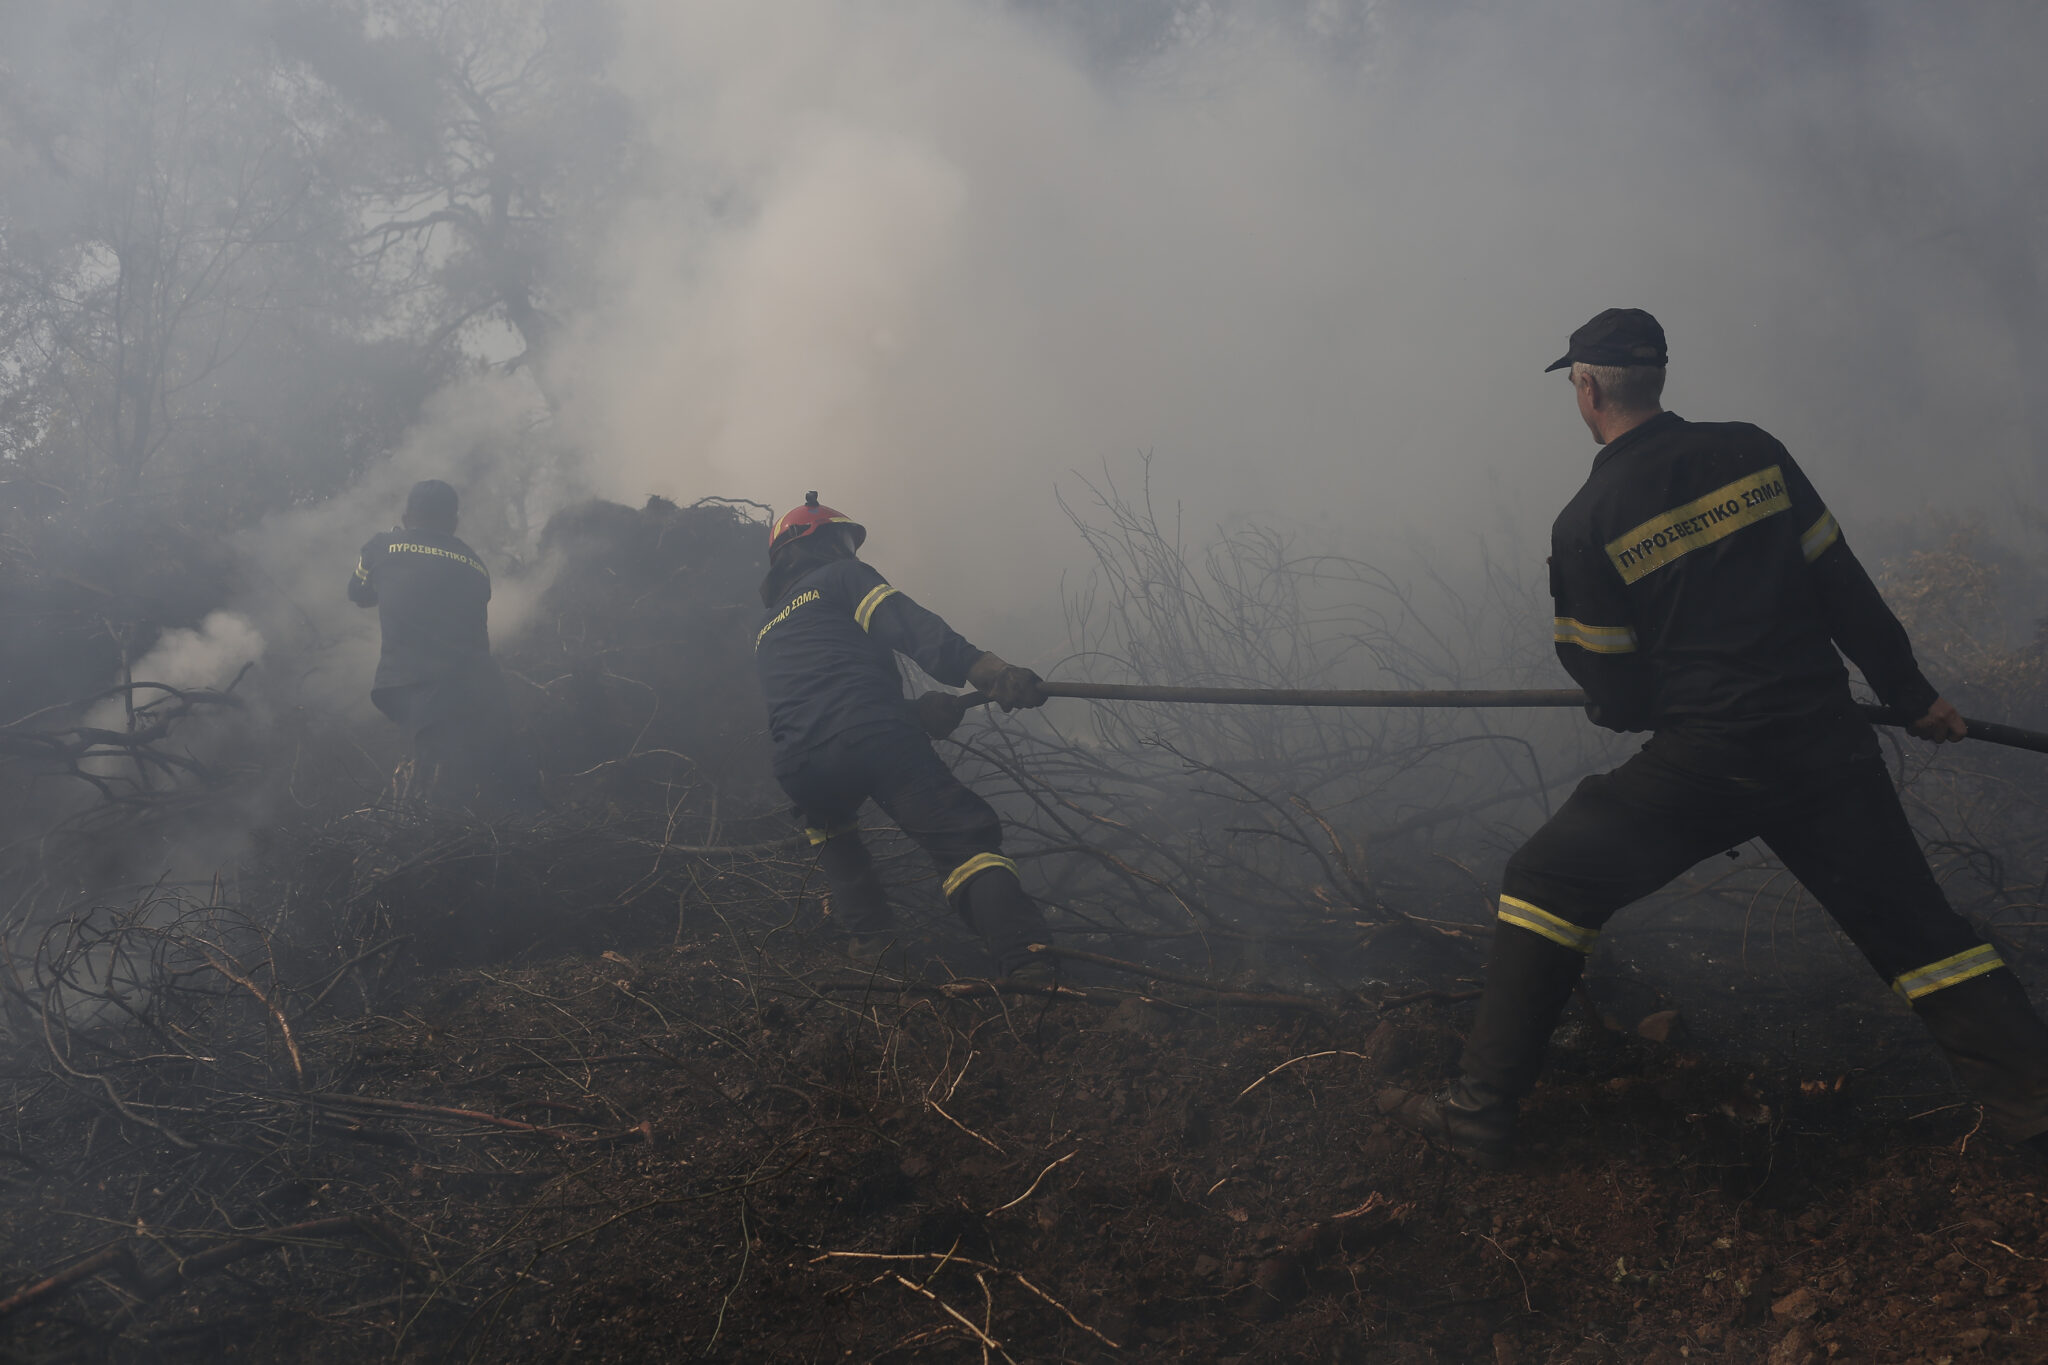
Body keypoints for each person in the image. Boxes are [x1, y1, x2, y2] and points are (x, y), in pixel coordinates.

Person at [1380, 308, 2048, 1168]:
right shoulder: (1755, 452)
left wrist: (1625, 704)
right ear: (1658, 378)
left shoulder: (1587, 521)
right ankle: (2034, 1105)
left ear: (1585, 390)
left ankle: (1479, 1112)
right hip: (1827, 748)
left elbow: (1614, 686)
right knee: (1920, 932)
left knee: (1545, 878)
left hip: (1710, 769)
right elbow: (1843, 585)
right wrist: (1912, 694)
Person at [755, 492, 1053, 979]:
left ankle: (879, 971)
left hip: (799, 765)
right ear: (825, 542)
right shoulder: (843, 577)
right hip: (869, 733)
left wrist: (913, 714)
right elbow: (912, 627)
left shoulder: (768, 628)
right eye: (845, 541)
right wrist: (991, 672)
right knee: (966, 843)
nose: (851, 552)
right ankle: (1031, 969)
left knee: (839, 846)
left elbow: (821, 705)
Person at [348, 479, 536, 810]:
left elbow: (358, 594)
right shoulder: (476, 563)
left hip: (418, 688)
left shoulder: (382, 546)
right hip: (484, 690)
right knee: (497, 791)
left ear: (407, 518)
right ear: (454, 523)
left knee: (430, 804)